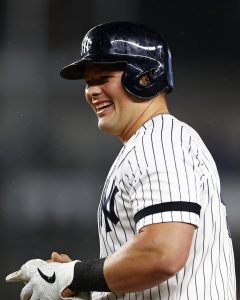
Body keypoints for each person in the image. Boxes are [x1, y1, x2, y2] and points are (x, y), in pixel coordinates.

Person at [6, 22, 236, 300]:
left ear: (145, 77)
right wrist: (85, 285)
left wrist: (75, 274)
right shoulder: (149, 143)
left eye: (102, 78)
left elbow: (163, 253)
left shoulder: (161, 143)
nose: (91, 91)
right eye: (88, 83)